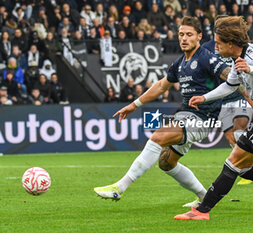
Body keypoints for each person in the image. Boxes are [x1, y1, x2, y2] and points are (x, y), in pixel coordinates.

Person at [174, 16, 253, 220]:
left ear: (230, 44)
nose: (215, 47)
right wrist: (204, 97)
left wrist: (250, 68)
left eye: (218, 43)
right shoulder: (237, 59)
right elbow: (230, 85)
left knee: (233, 161)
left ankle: (202, 211)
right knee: (242, 168)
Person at [94, 16, 230, 207]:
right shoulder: (180, 62)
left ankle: (120, 188)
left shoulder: (206, 57)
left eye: (189, 35)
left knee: (159, 135)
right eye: (181, 34)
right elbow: (160, 86)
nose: (184, 38)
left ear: (199, 36)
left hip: (203, 118)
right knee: (166, 163)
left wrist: (250, 98)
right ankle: (204, 197)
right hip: (186, 115)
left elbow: (230, 78)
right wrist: (134, 105)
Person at [202, 38, 253, 186]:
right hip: (223, 101)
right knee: (231, 137)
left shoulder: (233, 53)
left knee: (239, 130)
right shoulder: (210, 55)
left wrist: (252, 101)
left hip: (239, 96)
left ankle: (248, 167)